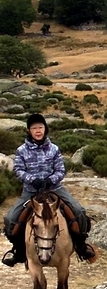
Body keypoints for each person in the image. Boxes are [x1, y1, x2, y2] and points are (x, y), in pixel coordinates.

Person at [2, 113, 96, 267]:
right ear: (29, 131)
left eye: (40, 127)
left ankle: (81, 245)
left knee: (78, 211)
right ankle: (18, 250)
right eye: (34, 128)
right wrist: (33, 180)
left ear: (45, 129)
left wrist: (50, 180)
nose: (38, 131)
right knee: (11, 219)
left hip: (54, 189)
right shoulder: (21, 150)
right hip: (31, 191)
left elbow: (60, 169)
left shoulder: (54, 149)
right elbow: (18, 170)